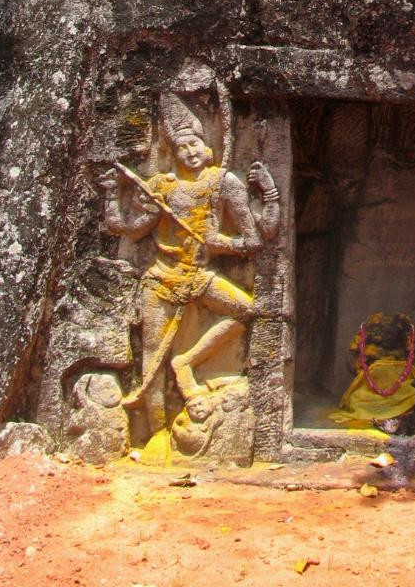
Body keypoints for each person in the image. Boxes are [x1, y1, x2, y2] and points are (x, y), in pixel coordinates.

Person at [99, 95, 280, 440]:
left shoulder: (223, 184)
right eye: (182, 147)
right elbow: (130, 229)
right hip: (161, 278)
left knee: (245, 310)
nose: (190, 152)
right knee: (151, 359)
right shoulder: (162, 187)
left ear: (206, 145)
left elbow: (253, 240)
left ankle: (187, 363)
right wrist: (110, 194)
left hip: (199, 275)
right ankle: (156, 435)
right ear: (172, 152)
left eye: (195, 143)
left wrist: (217, 241)